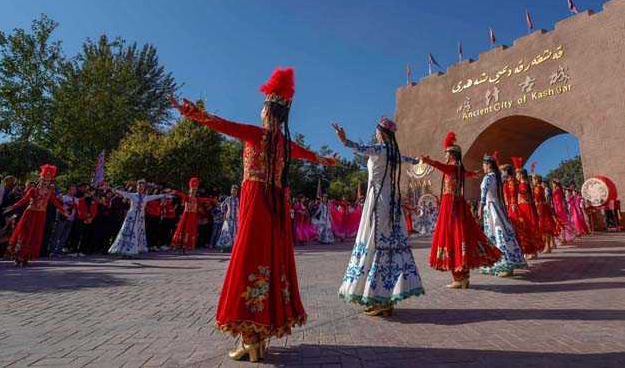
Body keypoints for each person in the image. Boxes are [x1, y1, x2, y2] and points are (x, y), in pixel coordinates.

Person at [171, 67, 336, 362]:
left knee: (248, 257)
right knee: (271, 258)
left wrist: (192, 112)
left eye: (262, 107)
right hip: (276, 205)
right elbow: (313, 156)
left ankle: (249, 338)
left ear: (267, 112)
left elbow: (220, 124)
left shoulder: (255, 134)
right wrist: (327, 160)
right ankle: (258, 336)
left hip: (256, 201)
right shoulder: (285, 144)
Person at [334, 118, 424, 316]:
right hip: (392, 202)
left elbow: (359, 148)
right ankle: (385, 299)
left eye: (377, 131)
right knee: (389, 245)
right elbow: (411, 160)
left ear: (381, 133)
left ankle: (380, 299)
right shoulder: (394, 153)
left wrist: (344, 140)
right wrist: (419, 160)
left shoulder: (380, 149)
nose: (375, 133)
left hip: (378, 201)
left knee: (375, 243)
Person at [421, 132, 501, 289]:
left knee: (452, 236)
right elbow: (466, 173)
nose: (445, 155)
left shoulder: (452, 167)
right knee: (460, 235)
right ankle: (463, 277)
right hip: (457, 204)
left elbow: (442, 166)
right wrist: (474, 173)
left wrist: (429, 161)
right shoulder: (458, 168)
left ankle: (459, 278)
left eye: (446, 153)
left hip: (450, 205)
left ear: (452, 155)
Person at [6, 165, 64, 266]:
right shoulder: (33, 190)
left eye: (48, 179)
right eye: (44, 179)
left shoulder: (50, 192)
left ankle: (26, 257)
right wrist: (13, 207)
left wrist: (64, 212)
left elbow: (56, 203)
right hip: (30, 213)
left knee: (35, 236)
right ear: (41, 179)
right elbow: (24, 200)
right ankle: (18, 255)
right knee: (25, 234)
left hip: (41, 215)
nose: (45, 182)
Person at [479, 154, 527, 277]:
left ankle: (505, 263)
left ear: (488, 165)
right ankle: (509, 261)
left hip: (491, 209)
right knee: (503, 233)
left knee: (497, 232)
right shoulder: (496, 177)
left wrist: (480, 206)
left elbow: (484, 193)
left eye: (484, 164)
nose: (483, 167)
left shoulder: (488, 178)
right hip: (497, 207)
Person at [107, 180, 169, 257]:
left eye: (142, 187)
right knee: (129, 231)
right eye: (139, 186)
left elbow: (156, 196)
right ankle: (125, 249)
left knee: (138, 232)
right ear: (137, 187)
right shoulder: (132, 195)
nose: (141, 188)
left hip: (140, 218)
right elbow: (123, 193)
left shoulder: (146, 197)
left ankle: (135, 249)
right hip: (131, 217)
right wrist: (113, 189)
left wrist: (166, 195)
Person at [171, 177, 217, 253]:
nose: (193, 192)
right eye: (192, 190)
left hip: (192, 218)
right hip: (186, 216)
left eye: (195, 190)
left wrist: (213, 200)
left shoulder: (197, 199)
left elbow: (205, 199)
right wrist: (174, 191)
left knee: (190, 231)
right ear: (190, 190)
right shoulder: (187, 197)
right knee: (183, 230)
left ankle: (186, 246)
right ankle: (180, 246)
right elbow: (181, 194)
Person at [514, 163, 542, 259]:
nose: (516, 176)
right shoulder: (523, 184)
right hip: (523, 207)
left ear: (521, 175)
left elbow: (524, 194)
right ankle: (530, 251)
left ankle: (532, 251)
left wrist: (516, 189)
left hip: (525, 208)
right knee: (526, 229)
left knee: (528, 229)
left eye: (517, 174)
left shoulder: (523, 184)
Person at [531, 172, 557, 253]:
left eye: (533, 179)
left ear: (536, 180)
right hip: (543, 207)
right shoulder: (540, 187)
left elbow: (536, 199)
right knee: (547, 226)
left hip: (541, 208)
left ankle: (547, 246)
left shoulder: (537, 188)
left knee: (544, 227)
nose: (532, 181)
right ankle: (550, 244)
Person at [50, 186, 78, 256]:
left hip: (71, 219)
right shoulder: (63, 197)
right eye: (73, 189)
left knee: (65, 236)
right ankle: (52, 250)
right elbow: (58, 206)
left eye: (75, 189)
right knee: (57, 234)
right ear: (68, 190)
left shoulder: (76, 199)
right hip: (62, 218)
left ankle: (59, 251)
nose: (74, 190)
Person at [215, 185, 240, 251]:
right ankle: (224, 247)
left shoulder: (237, 199)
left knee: (234, 232)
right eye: (233, 190)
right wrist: (224, 213)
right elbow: (222, 205)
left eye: (235, 191)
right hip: (229, 218)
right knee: (227, 232)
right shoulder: (228, 198)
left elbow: (239, 208)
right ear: (231, 191)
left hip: (236, 218)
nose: (234, 192)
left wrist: (239, 215)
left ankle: (233, 247)